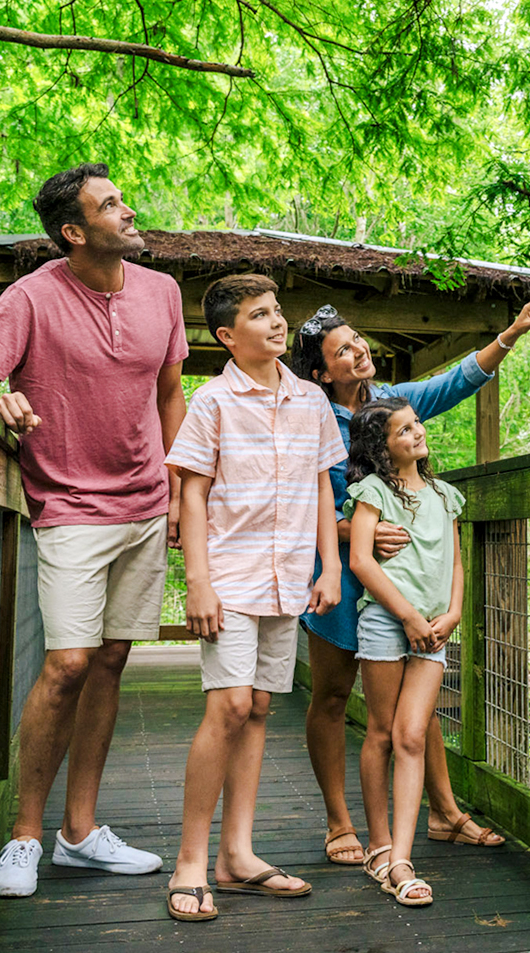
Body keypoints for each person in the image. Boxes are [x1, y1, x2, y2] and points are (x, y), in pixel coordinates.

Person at [0, 163, 187, 898]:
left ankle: (80, 835)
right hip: (68, 507)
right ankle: (25, 836)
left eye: (122, 197)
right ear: (73, 231)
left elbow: (171, 393)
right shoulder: (29, 298)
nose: (128, 210)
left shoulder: (163, 293)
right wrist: (2, 405)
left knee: (113, 659)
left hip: (147, 504)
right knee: (67, 665)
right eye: (110, 204)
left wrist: (179, 489)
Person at [289, 289, 530, 865]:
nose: (359, 352)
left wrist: (509, 336)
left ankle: (445, 812)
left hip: (406, 581)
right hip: (343, 577)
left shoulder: (390, 403)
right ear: (319, 372)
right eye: (342, 351)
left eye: (358, 340)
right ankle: (340, 823)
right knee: (332, 696)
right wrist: (349, 532)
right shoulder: (308, 418)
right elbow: (292, 503)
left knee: (417, 700)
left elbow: (452, 383)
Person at [162, 273, 347, 923]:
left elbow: (325, 489)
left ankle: (237, 855)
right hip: (231, 576)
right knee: (231, 706)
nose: (275, 322)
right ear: (227, 336)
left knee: (263, 706)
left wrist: (330, 569)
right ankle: (190, 860)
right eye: (259, 315)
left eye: (277, 312)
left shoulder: (311, 402)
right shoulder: (212, 402)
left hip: (290, 577)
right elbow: (191, 489)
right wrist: (199, 582)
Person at [344, 398, 467, 906]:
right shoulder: (374, 491)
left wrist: (453, 612)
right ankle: (379, 844)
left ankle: (402, 860)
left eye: (416, 424)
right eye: (402, 431)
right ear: (382, 448)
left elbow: (456, 562)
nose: (416, 433)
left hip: (434, 631)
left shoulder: (444, 494)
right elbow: (361, 561)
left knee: (412, 735)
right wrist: (408, 616)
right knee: (381, 732)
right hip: (387, 622)